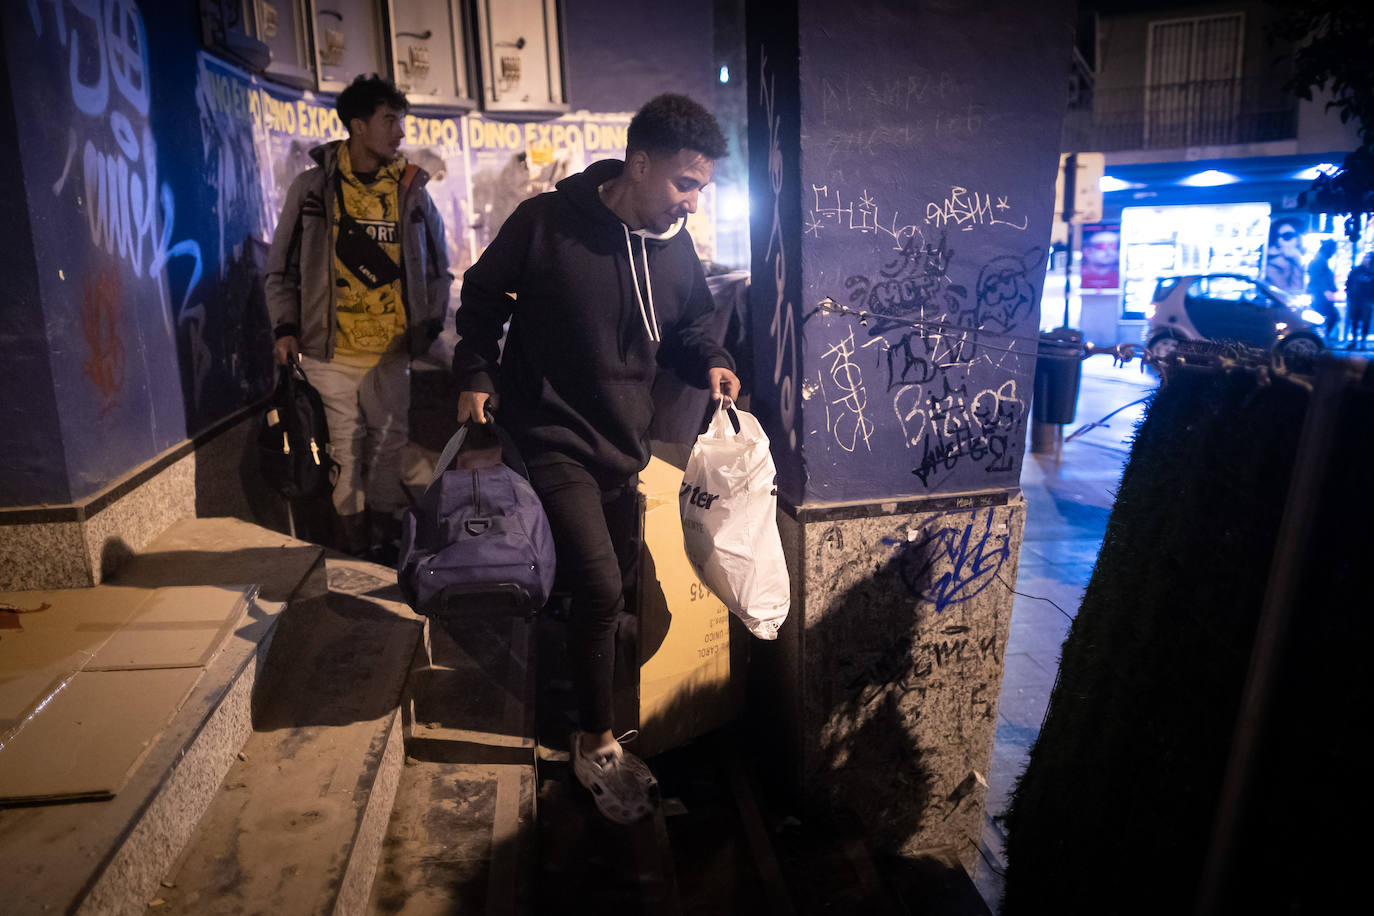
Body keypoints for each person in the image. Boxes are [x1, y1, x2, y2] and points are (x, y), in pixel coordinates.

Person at [451, 94, 739, 823]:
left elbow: (690, 324)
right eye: (684, 183)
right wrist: (477, 374)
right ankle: (594, 741)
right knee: (603, 587)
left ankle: (567, 704)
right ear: (639, 165)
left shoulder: (672, 249)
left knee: (597, 593)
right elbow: (482, 297)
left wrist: (710, 359)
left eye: (701, 187)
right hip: (549, 434)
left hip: (622, 443)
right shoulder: (546, 223)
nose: (692, 203)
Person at [266, 75, 452, 561]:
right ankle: (354, 544)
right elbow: (280, 268)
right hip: (329, 352)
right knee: (344, 452)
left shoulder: (411, 192)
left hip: (391, 353)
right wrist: (285, 327)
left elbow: (438, 266)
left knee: (390, 447)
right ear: (358, 125)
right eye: (390, 120)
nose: (400, 133)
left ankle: (387, 537)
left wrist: (427, 324)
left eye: (401, 121)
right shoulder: (313, 189)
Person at [1306, 239, 1340, 340]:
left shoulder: (1321, 259)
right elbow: (1318, 278)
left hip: (1320, 295)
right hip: (1320, 295)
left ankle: (1319, 338)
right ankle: (1319, 338)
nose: (1334, 252)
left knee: (1326, 317)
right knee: (1331, 316)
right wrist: (1325, 291)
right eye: (1333, 250)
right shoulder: (1319, 260)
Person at [1265, 216, 1306, 296]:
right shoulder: (1274, 264)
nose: (1279, 240)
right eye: (1276, 236)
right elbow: (1291, 293)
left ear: (1298, 239)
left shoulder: (1291, 259)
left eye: (1287, 236)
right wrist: (1297, 262)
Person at [1346, 252, 1374, 349]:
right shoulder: (1356, 270)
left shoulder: (1372, 272)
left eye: (1369, 258)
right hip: (1355, 300)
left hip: (1367, 300)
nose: (1366, 259)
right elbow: (1349, 283)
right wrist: (1349, 294)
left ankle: (1363, 341)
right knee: (1354, 320)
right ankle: (1353, 340)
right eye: (1365, 257)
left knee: (1365, 320)